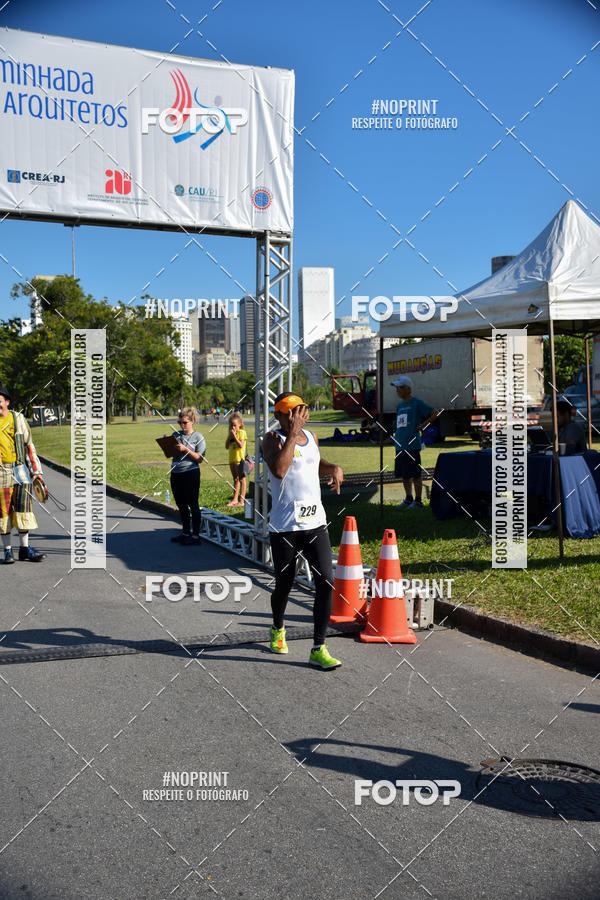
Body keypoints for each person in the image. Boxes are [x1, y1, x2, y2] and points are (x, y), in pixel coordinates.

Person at [262, 392, 344, 670]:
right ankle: (277, 627)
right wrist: (293, 433)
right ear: (280, 416)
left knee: (326, 581)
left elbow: (314, 463)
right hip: (285, 526)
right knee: (285, 583)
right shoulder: (272, 440)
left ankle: (318, 647)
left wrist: (333, 467)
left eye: (303, 410)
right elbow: (280, 469)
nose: (301, 415)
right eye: (294, 412)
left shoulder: (311, 437)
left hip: (315, 522)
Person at [0, 385, 46, 563]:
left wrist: (36, 472)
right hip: (1, 472)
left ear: (7, 402)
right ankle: (7, 551)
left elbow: (29, 447)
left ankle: (25, 550)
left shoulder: (18, 419)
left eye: (0, 401)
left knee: (23, 510)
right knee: (3, 513)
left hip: (20, 471)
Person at [391, 375, 439, 509]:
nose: (397, 390)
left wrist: (423, 425)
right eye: (396, 388)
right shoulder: (400, 405)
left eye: (400, 388)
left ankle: (418, 501)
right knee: (404, 475)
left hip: (412, 445)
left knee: (415, 474)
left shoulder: (416, 402)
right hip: (399, 445)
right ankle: (408, 499)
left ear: (408, 388)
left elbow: (434, 413)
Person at [170, 407, 206, 545]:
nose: (182, 425)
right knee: (181, 504)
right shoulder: (176, 435)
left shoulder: (198, 437)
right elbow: (171, 454)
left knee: (193, 504)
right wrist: (168, 446)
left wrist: (185, 449)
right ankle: (185, 532)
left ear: (192, 421)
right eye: (180, 422)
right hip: (175, 472)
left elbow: (199, 458)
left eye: (184, 422)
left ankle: (195, 536)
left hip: (191, 472)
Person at [225, 413, 247, 507]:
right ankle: (235, 499)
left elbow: (241, 445)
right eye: (231, 425)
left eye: (234, 425)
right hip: (232, 459)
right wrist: (230, 437)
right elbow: (226, 446)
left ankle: (241, 501)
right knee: (235, 479)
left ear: (240, 425)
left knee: (242, 480)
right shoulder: (231, 434)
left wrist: (234, 436)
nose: (232, 427)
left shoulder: (242, 432)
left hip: (239, 460)